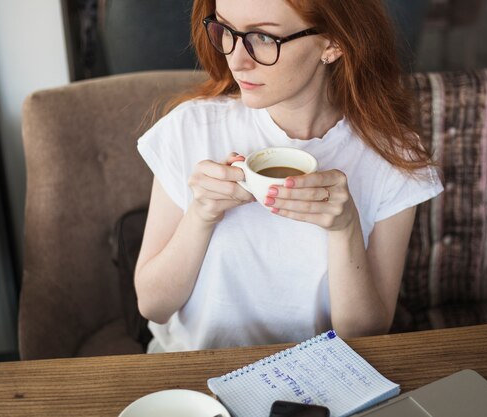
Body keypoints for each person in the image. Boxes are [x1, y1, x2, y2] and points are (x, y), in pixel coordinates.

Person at [135, 0, 443, 353]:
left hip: (317, 381)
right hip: (194, 375)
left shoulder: (393, 157)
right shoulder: (192, 129)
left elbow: (366, 335)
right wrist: (201, 215)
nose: (236, 60)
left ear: (333, 44)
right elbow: (152, 307)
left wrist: (345, 229)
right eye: (226, 30)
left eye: (263, 37)